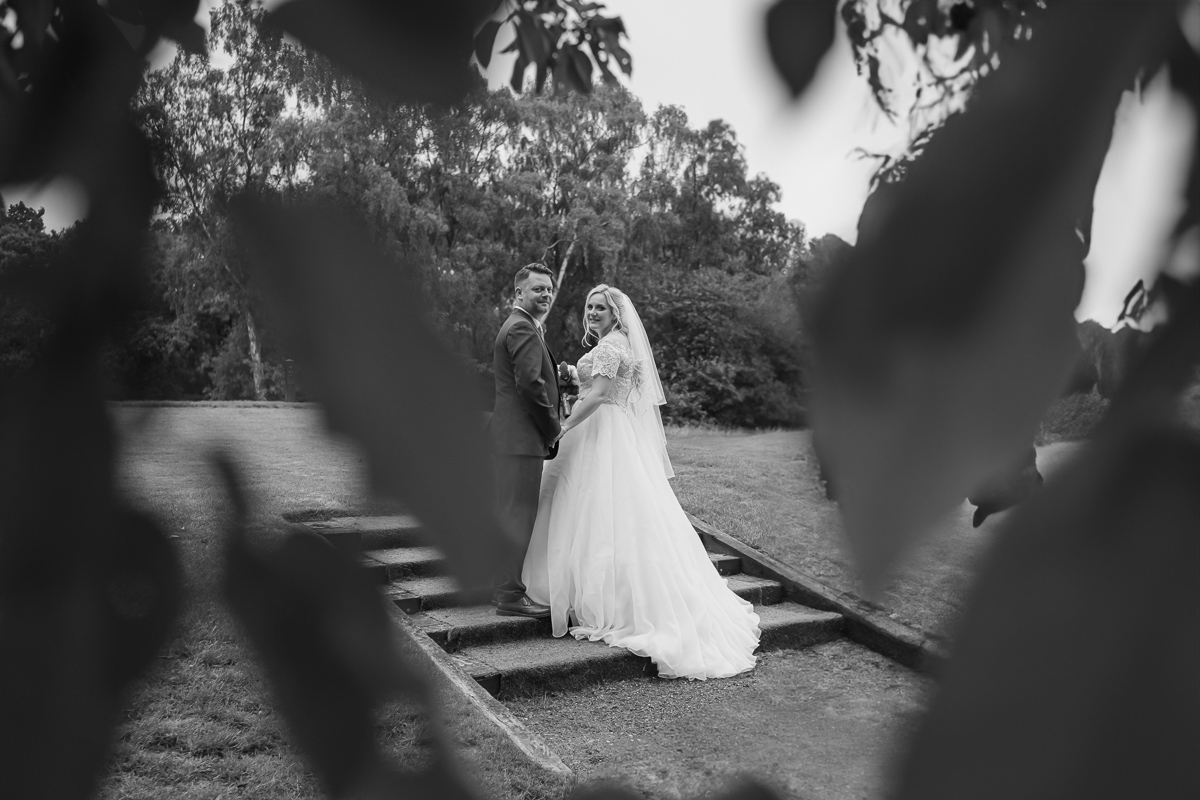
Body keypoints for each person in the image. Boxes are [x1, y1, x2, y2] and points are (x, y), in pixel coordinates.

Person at [522, 284, 761, 679]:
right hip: (613, 431)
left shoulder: (612, 346)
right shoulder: (614, 344)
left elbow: (597, 395)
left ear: (616, 314)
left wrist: (561, 428)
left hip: (601, 431)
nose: (593, 312)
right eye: (589, 306)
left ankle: (601, 599)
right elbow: (597, 385)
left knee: (594, 506)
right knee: (586, 506)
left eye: (601, 307)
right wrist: (568, 373)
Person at [488, 264, 562, 618]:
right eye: (538, 290)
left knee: (510, 514)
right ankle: (510, 595)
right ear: (519, 294)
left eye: (549, 289)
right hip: (519, 440)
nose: (545, 295)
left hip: (509, 439)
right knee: (518, 516)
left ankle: (504, 589)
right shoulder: (521, 327)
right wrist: (552, 427)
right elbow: (530, 385)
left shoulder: (522, 326)